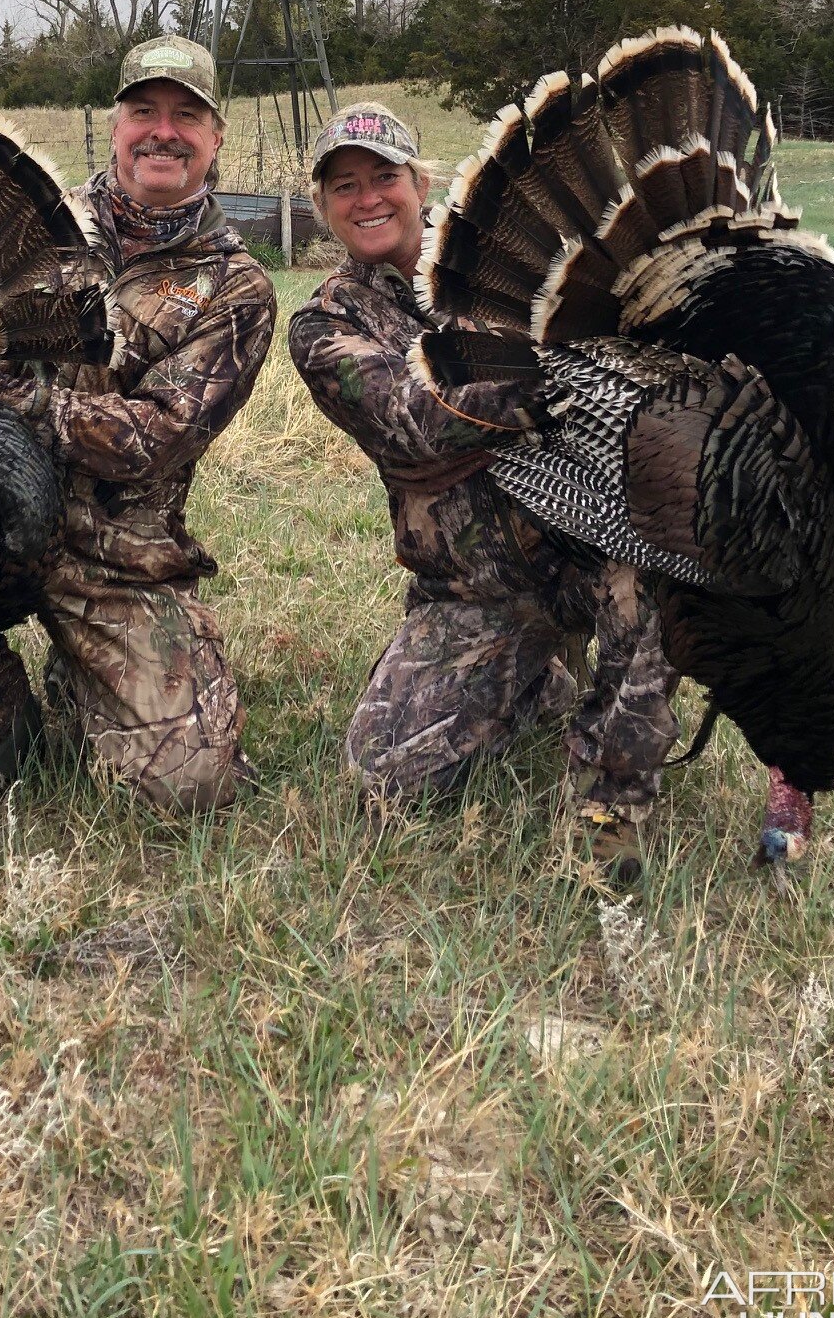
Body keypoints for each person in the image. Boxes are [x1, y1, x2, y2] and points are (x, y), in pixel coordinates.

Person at [286, 101, 680, 865]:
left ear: (419, 181)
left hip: (590, 544)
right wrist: (563, 379)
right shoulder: (325, 323)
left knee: (655, 574)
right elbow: (414, 421)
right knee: (386, 778)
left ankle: (609, 803)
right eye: (344, 186)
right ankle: (538, 678)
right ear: (323, 208)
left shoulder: (513, 260)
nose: (367, 198)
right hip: (473, 588)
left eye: (384, 177)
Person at [0, 37, 277, 813]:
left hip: (114, 554)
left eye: (186, 116)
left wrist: (22, 400)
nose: (163, 132)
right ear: (115, 124)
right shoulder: (28, 224)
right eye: (144, 112)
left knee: (192, 788)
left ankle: (85, 673)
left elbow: (157, 435)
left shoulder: (236, 288)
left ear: (215, 136)